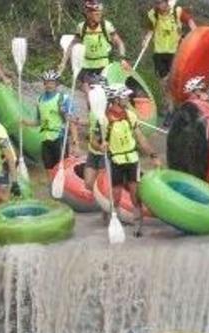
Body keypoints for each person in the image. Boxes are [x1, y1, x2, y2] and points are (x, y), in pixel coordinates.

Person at [103, 85, 161, 237]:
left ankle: (138, 225)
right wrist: (100, 145)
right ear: (116, 99)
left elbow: (140, 138)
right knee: (115, 196)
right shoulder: (104, 119)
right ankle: (112, 221)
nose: (128, 99)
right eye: (125, 97)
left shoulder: (130, 115)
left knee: (135, 194)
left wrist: (153, 156)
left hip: (132, 159)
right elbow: (96, 141)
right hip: (115, 160)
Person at [143, 0, 197, 120]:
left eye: (160, 2)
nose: (157, 5)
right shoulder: (153, 14)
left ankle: (175, 110)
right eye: (155, 3)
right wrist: (146, 39)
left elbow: (190, 21)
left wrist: (195, 34)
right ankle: (170, 109)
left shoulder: (177, 11)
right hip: (159, 53)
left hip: (175, 52)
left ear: (166, 2)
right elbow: (151, 30)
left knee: (172, 82)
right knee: (164, 84)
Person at [23, 69, 78, 171]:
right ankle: (51, 187)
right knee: (48, 169)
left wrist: (75, 143)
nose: (49, 85)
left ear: (57, 84)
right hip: (45, 139)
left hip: (59, 138)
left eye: (52, 83)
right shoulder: (40, 100)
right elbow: (39, 121)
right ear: (44, 83)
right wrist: (25, 122)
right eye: (47, 83)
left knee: (62, 169)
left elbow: (72, 122)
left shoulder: (63, 99)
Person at [73, 0, 127, 89]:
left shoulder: (106, 26)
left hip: (104, 65)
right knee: (89, 93)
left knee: (104, 92)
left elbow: (119, 43)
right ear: (88, 13)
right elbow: (74, 45)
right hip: (87, 65)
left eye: (100, 13)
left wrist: (122, 58)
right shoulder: (81, 27)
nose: (99, 15)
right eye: (96, 13)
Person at [81, 72, 108, 200]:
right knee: (88, 184)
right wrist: (78, 121)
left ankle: (106, 212)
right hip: (93, 152)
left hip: (105, 154)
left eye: (92, 88)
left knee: (102, 186)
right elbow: (91, 122)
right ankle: (98, 204)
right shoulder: (93, 107)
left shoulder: (108, 111)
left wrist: (99, 145)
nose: (90, 91)